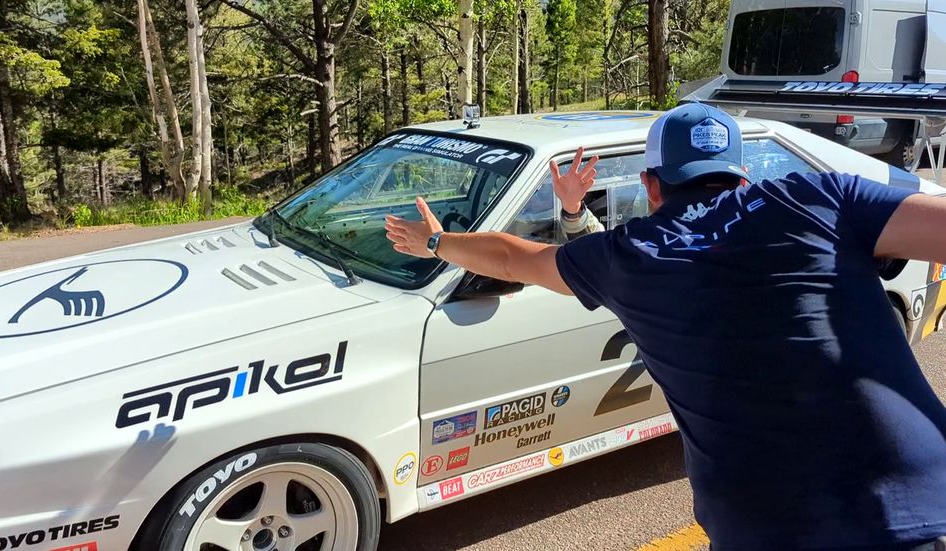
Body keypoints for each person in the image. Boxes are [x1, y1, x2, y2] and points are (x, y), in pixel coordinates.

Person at [385, 102, 946, 550]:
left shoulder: (629, 257)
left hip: (769, 527)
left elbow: (511, 258)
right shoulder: (821, 196)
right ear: (742, 174)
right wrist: (576, 214)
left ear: (651, 185)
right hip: (923, 504)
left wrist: (434, 242)